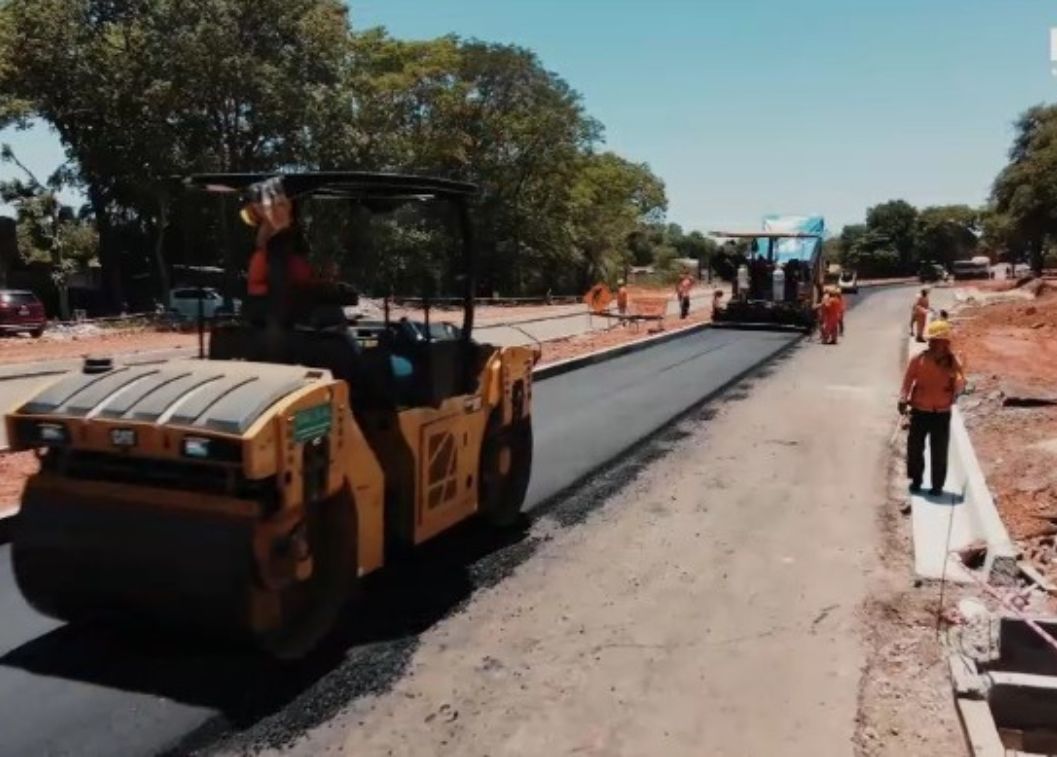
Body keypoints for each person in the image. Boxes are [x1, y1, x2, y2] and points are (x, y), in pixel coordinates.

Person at [898, 320, 966, 495]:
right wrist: (903, 398)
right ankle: (916, 480)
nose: (939, 344)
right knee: (915, 448)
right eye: (936, 340)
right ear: (931, 342)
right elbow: (907, 380)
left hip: (941, 413)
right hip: (920, 410)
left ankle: (937, 485)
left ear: (946, 343)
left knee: (939, 450)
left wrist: (957, 379)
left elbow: (960, 384)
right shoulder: (918, 359)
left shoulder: (953, 362)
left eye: (943, 341)